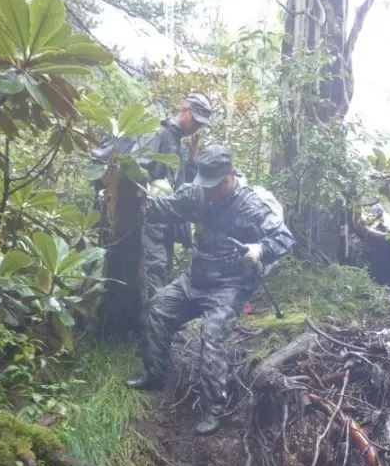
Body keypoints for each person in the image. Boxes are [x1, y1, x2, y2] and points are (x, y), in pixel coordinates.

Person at [125, 144, 295, 435]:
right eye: (205, 183)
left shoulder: (252, 205)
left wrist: (260, 250)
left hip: (228, 286)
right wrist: (131, 201)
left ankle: (213, 408)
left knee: (212, 338)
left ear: (229, 176)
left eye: (214, 185)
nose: (208, 190)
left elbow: (284, 238)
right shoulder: (196, 193)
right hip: (194, 278)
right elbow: (166, 208)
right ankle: (154, 375)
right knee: (156, 309)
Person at [138, 92, 212, 298]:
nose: (196, 126)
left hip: (165, 222)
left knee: (162, 268)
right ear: (184, 110)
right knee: (155, 269)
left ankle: (151, 320)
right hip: (151, 219)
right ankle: (148, 323)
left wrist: (190, 161)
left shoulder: (177, 140)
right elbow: (138, 168)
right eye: (195, 120)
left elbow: (179, 183)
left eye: (200, 124)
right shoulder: (159, 133)